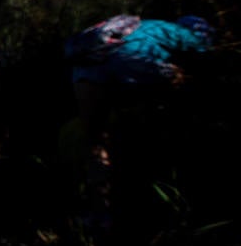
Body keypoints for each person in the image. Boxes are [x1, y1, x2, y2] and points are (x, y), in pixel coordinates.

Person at [65, 14, 213, 225]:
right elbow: (204, 48)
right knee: (179, 86)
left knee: (96, 141)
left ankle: (101, 214)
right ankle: (166, 193)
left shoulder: (137, 25)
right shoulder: (179, 31)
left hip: (85, 67)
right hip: (131, 60)